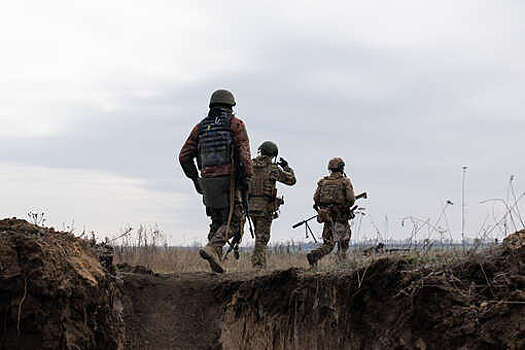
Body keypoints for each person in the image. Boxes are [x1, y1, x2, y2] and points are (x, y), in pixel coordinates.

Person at [179, 89, 253, 273]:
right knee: (234, 223)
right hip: (229, 181)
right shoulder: (235, 124)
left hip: (208, 182)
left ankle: (216, 263)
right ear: (230, 106)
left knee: (217, 221)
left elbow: (184, 156)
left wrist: (196, 179)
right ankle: (212, 248)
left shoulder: (200, 127)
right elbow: (244, 155)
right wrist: (247, 178)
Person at [248, 141, 296, 269]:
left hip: (250, 206)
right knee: (262, 238)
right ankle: (258, 267)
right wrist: (286, 167)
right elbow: (291, 180)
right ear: (273, 154)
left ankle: (258, 265)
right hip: (264, 208)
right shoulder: (273, 168)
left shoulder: (250, 165)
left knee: (259, 237)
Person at [307, 157, 355, 266]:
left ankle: (315, 255)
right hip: (340, 217)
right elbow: (351, 199)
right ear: (342, 168)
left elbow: (316, 199)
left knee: (328, 243)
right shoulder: (345, 181)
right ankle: (340, 263)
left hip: (326, 216)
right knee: (344, 241)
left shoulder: (323, 182)